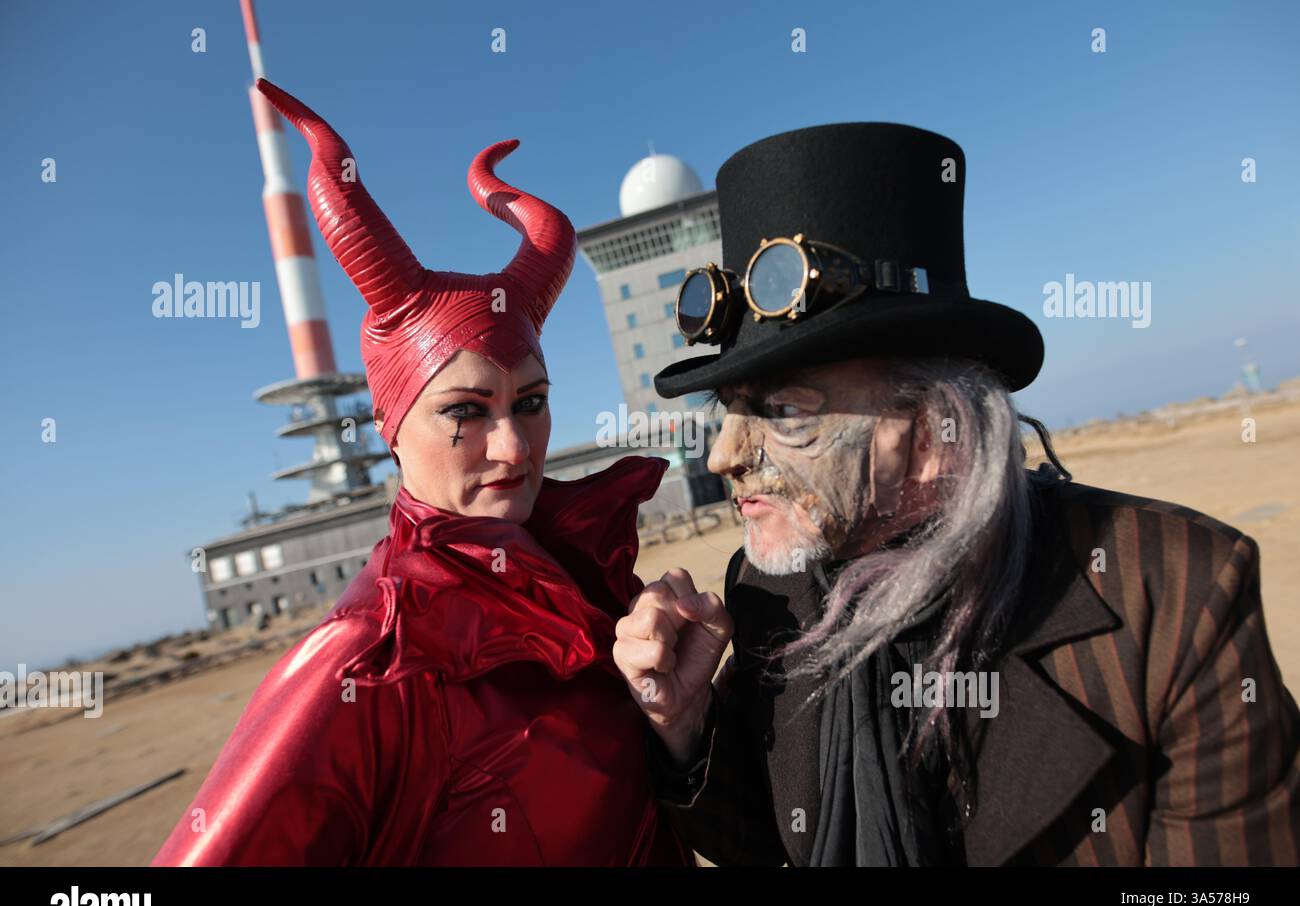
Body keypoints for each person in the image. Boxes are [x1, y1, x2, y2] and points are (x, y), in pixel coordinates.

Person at [613, 122, 1300, 866]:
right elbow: (760, 838)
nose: (723, 456)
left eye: (782, 411)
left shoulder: (1174, 596)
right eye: (731, 409)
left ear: (935, 427)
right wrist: (682, 722)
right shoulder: (764, 589)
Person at [153, 79, 691, 866]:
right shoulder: (371, 661)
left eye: (531, 403)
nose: (514, 447)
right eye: (466, 412)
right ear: (389, 428)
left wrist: (676, 727)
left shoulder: (586, 584)